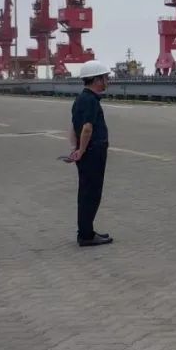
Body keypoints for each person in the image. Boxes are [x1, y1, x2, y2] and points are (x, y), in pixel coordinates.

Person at [69, 60, 114, 247]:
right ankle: (86, 236)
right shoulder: (90, 101)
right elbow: (87, 128)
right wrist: (82, 150)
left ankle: (86, 231)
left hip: (86, 152)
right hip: (93, 152)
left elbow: (73, 127)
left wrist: (76, 149)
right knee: (91, 194)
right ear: (96, 80)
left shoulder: (80, 99)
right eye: (105, 78)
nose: (107, 81)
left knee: (86, 193)